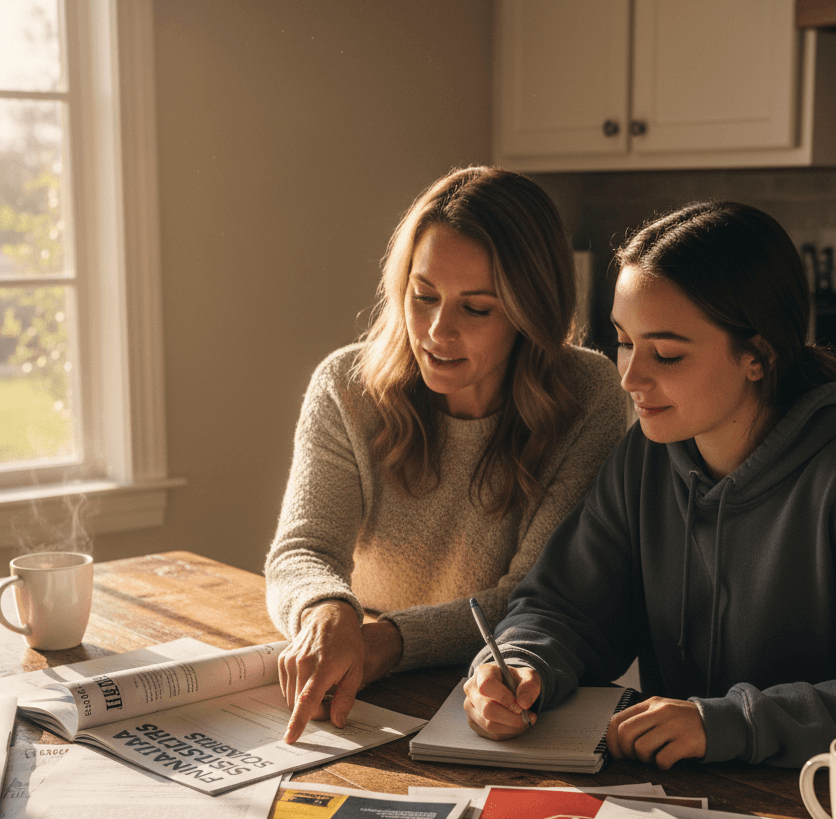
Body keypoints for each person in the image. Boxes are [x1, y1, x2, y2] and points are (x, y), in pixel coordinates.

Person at [463, 199, 836, 770]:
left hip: (818, 814)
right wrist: (520, 663)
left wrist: (731, 723)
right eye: (623, 341)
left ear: (757, 356)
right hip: (683, 802)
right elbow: (562, 608)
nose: (630, 376)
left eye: (665, 353)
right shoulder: (646, 456)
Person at [266, 166, 628, 742]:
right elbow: (303, 550)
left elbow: (533, 596)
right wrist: (325, 609)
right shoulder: (345, 385)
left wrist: (385, 641)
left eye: (476, 308)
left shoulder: (589, 394)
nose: (437, 330)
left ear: (529, 310)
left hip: (498, 696)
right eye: (424, 296)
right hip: (364, 687)